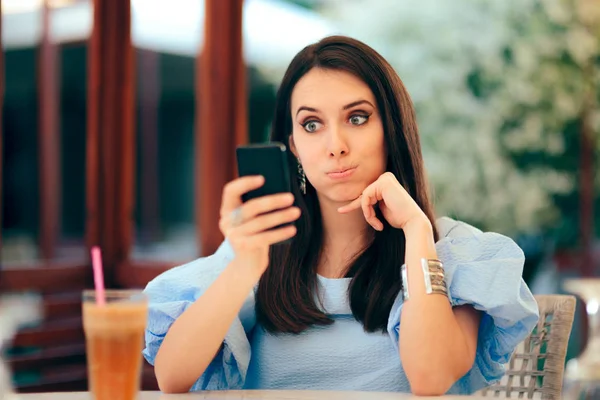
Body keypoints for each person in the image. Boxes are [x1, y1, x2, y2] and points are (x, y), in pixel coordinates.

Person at [142, 36, 539, 395]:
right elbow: (172, 377)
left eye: (357, 118)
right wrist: (244, 265)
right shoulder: (256, 251)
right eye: (312, 125)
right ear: (293, 145)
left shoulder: (450, 252)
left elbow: (431, 377)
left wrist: (416, 231)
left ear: (392, 128)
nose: (335, 145)